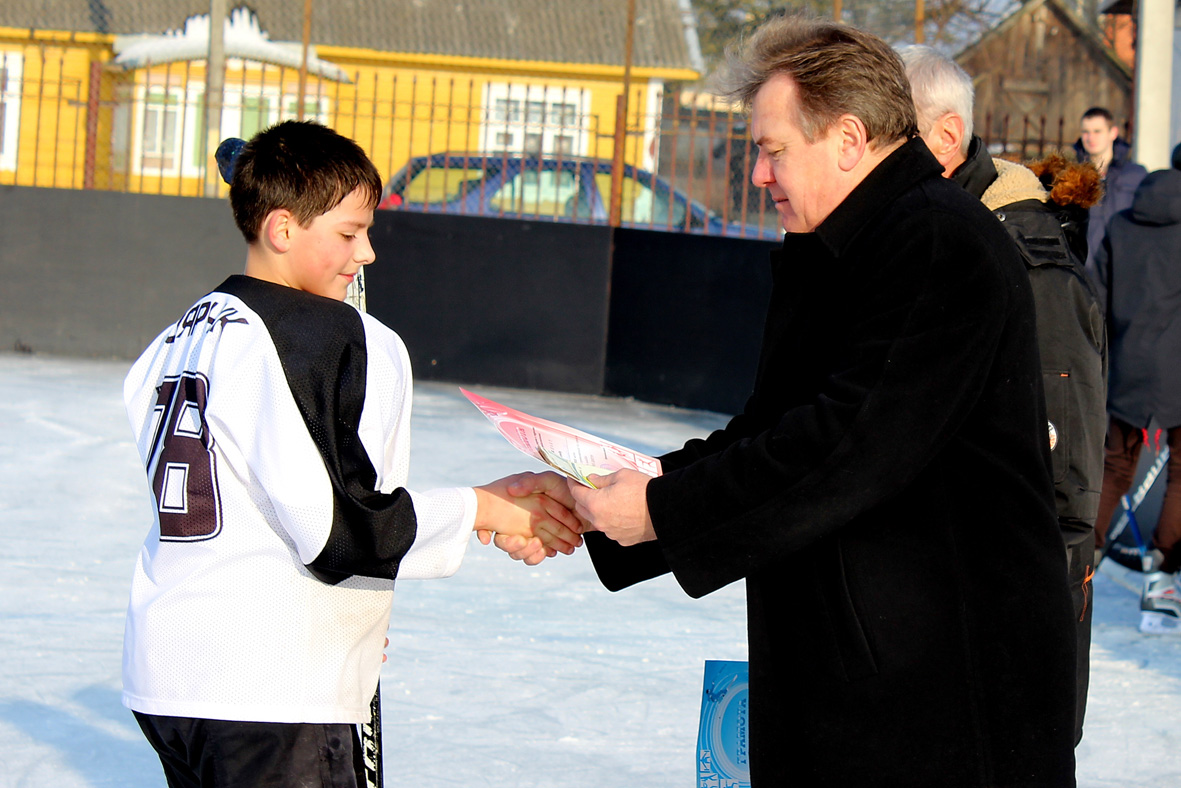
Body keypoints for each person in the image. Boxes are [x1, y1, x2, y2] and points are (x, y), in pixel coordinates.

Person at [516, 16, 1078, 787]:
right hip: (860, 682)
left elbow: (846, 446)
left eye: (772, 149)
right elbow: (773, 429)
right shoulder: (844, 244)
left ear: (847, 138)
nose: (756, 174)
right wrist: (610, 495)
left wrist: (658, 512)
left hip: (941, 698)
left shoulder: (935, 243)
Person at [121, 120, 581, 788]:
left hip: (170, 679)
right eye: (348, 233)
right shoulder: (316, 334)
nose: (366, 252)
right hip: (272, 693)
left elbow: (258, 507)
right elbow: (338, 532)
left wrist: (349, 619)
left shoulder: (178, 336)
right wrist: (488, 510)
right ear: (282, 229)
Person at [900, 44, 1106, 744]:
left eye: (887, 134)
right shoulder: (921, 236)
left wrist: (1030, 666)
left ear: (946, 137)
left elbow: (1064, 488)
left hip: (998, 637)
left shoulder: (1030, 270)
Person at [1091, 144, 1181, 634]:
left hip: (1127, 365)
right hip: (1177, 369)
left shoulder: (1123, 225)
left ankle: (1082, 562)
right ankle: (1162, 576)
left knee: (1115, 468)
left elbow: (1096, 296)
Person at [1073, 106, 1147, 272]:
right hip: (1085, 267)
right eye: (1085, 132)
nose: (1090, 137)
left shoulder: (1135, 175)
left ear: (1113, 133)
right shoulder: (1073, 177)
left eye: (1097, 131)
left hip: (1125, 265)